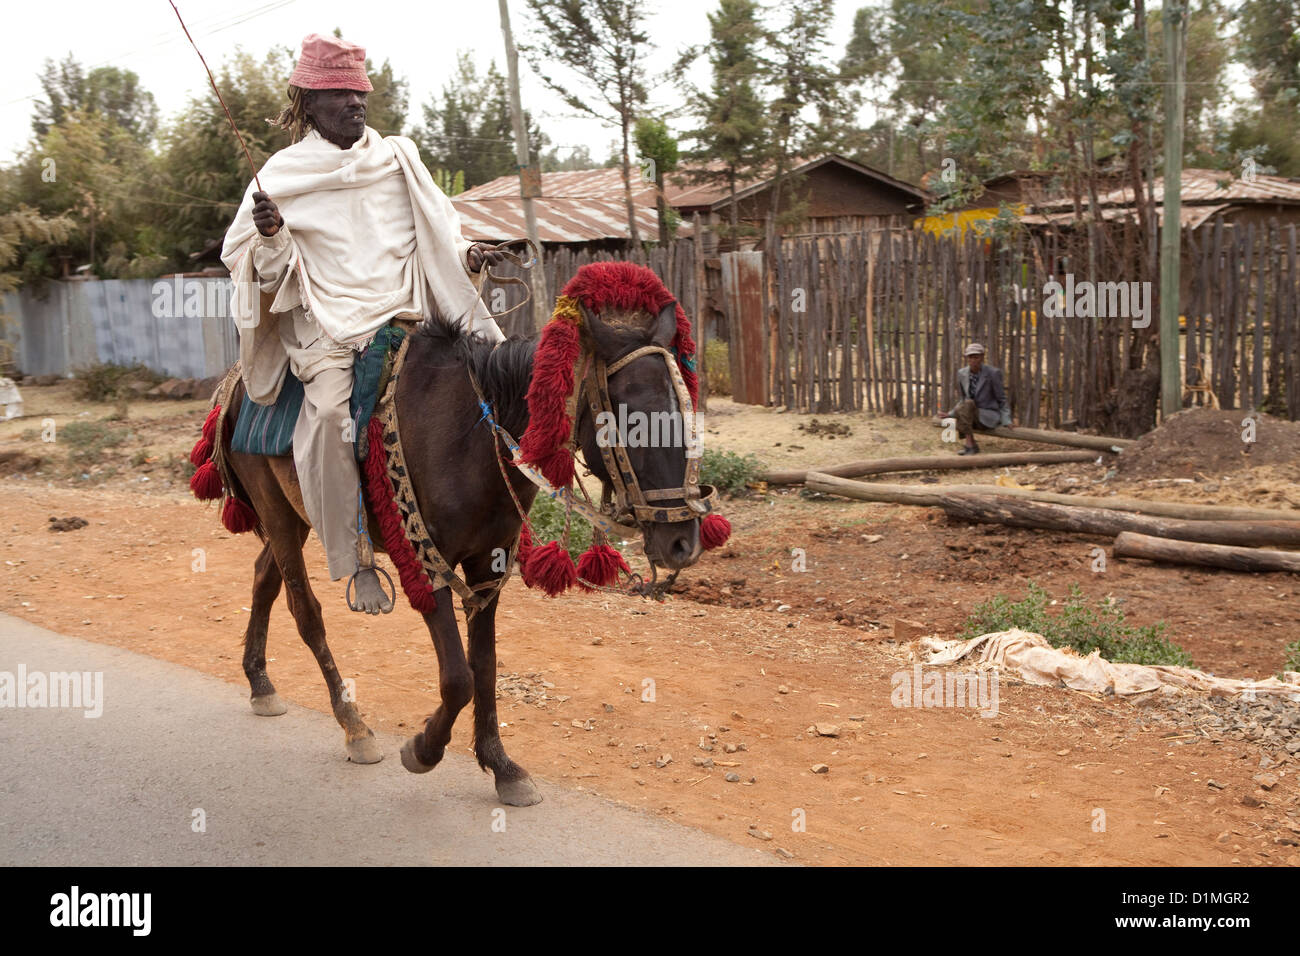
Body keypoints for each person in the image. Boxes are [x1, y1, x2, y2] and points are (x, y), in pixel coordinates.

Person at [221, 33, 506, 613]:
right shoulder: (281, 174)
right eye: (340, 95)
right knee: (327, 415)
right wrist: (273, 237)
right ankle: (357, 560)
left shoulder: (397, 157)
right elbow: (250, 264)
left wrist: (469, 256)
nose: (355, 104)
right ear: (308, 104)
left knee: (488, 390)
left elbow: (441, 234)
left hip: (410, 313)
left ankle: (499, 522)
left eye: (360, 94)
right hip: (327, 324)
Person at [945, 343, 1011, 455]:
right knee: (967, 403)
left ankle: (971, 446)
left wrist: (1007, 420)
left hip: (987, 416)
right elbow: (962, 399)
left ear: (982, 357)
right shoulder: (962, 373)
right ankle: (970, 444)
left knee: (968, 404)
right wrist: (950, 413)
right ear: (966, 358)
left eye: (976, 357)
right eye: (970, 357)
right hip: (970, 415)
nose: (973, 360)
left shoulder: (993, 373)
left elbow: (1002, 398)